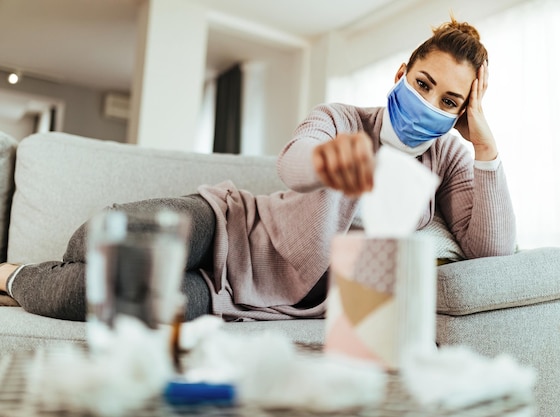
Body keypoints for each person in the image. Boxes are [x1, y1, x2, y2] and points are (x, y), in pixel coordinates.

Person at [0, 17, 516, 322]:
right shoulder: (342, 119)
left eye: (449, 101)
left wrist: (486, 148)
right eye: (423, 84)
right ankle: (21, 271)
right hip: (230, 225)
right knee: (102, 238)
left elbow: (489, 248)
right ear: (401, 74)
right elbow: (291, 167)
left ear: (461, 113)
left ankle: (17, 277)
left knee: (96, 295)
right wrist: (328, 162)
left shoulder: (447, 157)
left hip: (243, 296)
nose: (430, 104)